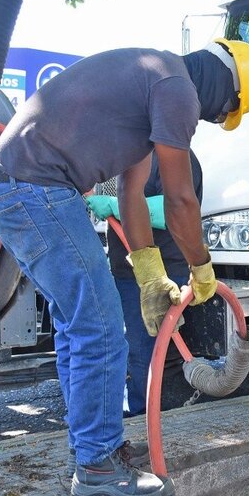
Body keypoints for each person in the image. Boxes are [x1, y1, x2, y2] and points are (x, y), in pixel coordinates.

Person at [0, 41, 249, 496]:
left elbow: (134, 198)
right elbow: (180, 200)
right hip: (33, 186)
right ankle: (96, 466)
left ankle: (94, 449)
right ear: (225, 87)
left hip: (15, 185)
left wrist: (150, 272)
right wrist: (201, 268)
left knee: (80, 325)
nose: (213, 119)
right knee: (102, 325)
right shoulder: (176, 88)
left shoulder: (151, 82)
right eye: (226, 110)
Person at [86, 151, 206, 417]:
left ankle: (145, 418)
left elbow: (172, 210)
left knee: (145, 352)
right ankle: (140, 411)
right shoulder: (128, 156)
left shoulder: (174, 156)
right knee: (131, 349)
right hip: (125, 271)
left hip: (161, 271)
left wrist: (117, 206)